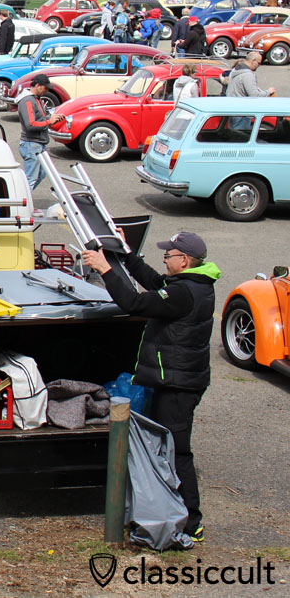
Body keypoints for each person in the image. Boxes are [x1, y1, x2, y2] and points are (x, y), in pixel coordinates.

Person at [80, 230, 219, 544]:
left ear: (184, 260)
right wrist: (128, 254)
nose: (165, 259)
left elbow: (134, 302)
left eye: (169, 255)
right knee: (163, 448)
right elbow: (156, 282)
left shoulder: (184, 293)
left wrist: (105, 269)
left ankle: (191, 521)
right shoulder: (193, 283)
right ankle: (165, 509)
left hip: (179, 386)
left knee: (177, 451)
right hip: (175, 381)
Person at [18, 73, 63, 191]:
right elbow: (30, 124)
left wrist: (53, 118)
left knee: (41, 174)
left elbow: (42, 118)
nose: (46, 91)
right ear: (38, 86)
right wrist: (49, 122)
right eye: (45, 88)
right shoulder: (27, 101)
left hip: (38, 143)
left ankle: (26, 202)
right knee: (31, 178)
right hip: (31, 144)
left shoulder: (36, 99)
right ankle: (24, 204)